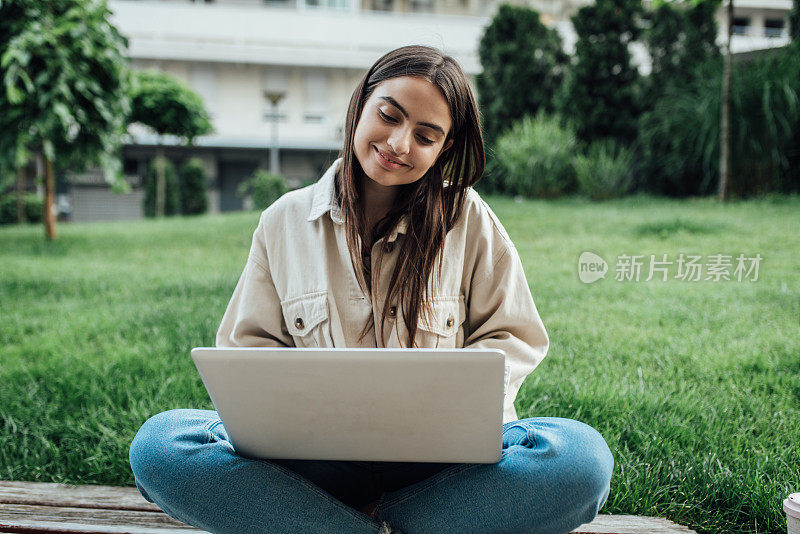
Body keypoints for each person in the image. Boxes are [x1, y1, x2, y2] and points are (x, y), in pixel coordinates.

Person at [129, 45, 613, 534]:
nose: (400, 144)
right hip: (315, 468)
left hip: (442, 468)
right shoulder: (284, 221)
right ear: (360, 104)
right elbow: (248, 350)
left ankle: (360, 523)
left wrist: (458, 408)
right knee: (161, 444)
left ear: (443, 149)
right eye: (389, 116)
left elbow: (513, 336)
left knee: (580, 459)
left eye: (426, 136)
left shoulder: (468, 218)